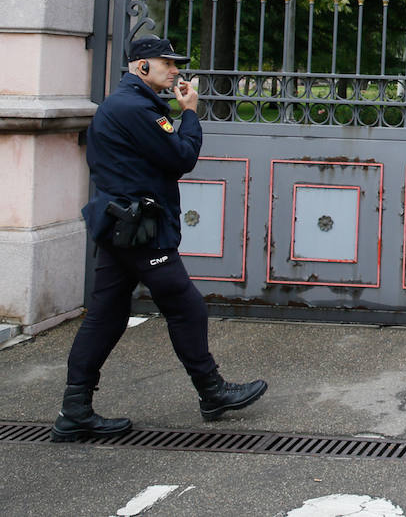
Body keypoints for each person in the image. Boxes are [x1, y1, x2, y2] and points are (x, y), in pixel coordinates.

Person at [52, 37, 267, 442]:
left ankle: (75, 410)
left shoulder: (130, 104)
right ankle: (212, 392)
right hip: (140, 232)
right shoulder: (135, 109)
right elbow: (181, 157)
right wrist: (190, 113)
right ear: (141, 66)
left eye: (174, 63)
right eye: (166, 62)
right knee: (186, 307)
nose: (175, 70)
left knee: (106, 315)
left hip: (123, 225)